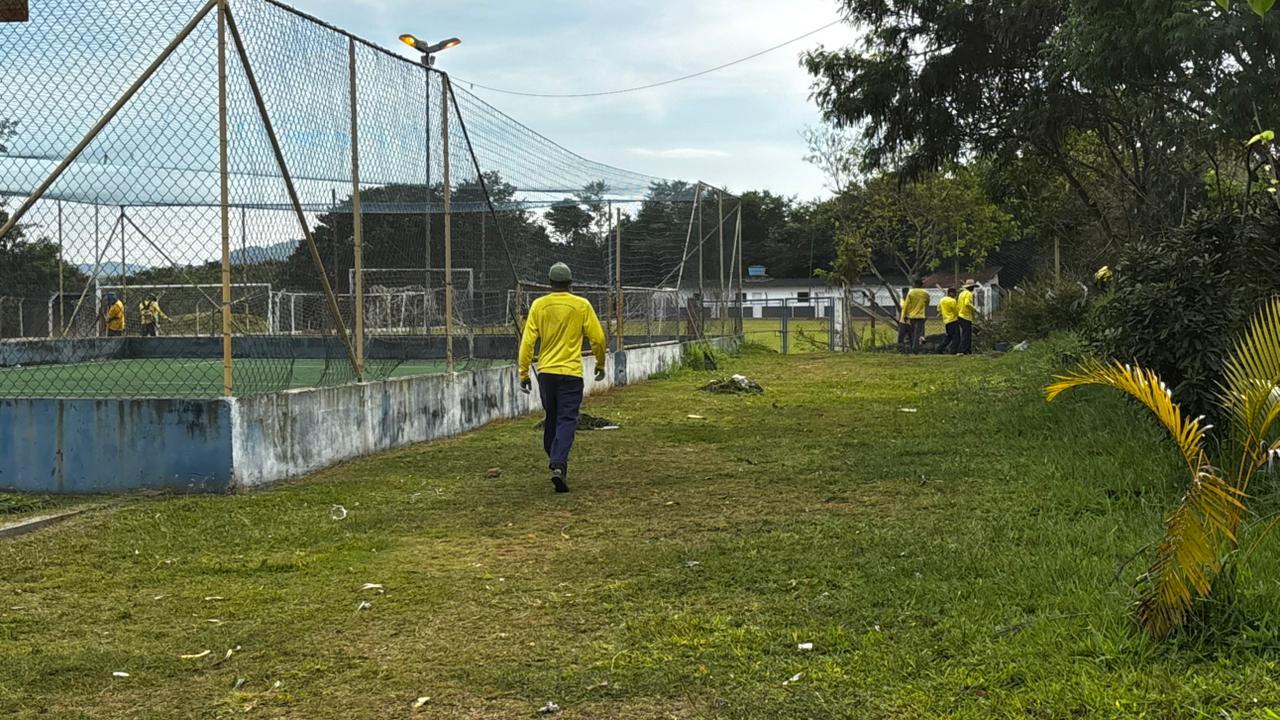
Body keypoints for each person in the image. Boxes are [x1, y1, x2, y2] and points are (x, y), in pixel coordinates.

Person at [518, 262, 608, 493]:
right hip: (571, 373)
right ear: (571, 283)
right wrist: (599, 363)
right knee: (567, 419)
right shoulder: (581, 305)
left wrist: (524, 372)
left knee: (552, 416)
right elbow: (598, 338)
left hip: (546, 373)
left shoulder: (539, 305)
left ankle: (555, 459)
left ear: (549, 283)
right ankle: (559, 463)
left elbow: (527, 342)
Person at [898, 281, 930, 354]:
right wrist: (924, 308)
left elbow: (906, 305)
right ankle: (915, 349)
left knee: (913, 332)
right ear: (921, 285)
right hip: (921, 316)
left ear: (915, 285)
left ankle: (914, 348)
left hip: (912, 316)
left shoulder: (911, 293)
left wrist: (905, 315)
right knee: (917, 333)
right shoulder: (925, 293)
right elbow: (927, 302)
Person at [957, 280, 978, 354]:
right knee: (967, 335)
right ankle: (964, 350)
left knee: (964, 334)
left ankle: (967, 350)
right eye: (973, 287)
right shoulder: (969, 294)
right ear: (970, 287)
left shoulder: (961, 294)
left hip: (960, 315)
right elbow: (967, 303)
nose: (973, 289)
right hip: (966, 316)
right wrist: (975, 309)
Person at [937, 287, 960, 354]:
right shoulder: (952, 301)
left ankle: (940, 348)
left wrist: (941, 313)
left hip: (946, 321)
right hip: (953, 320)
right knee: (956, 337)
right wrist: (959, 316)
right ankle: (953, 350)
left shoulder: (942, 300)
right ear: (951, 293)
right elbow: (956, 311)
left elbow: (939, 309)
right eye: (955, 293)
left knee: (949, 336)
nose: (955, 295)